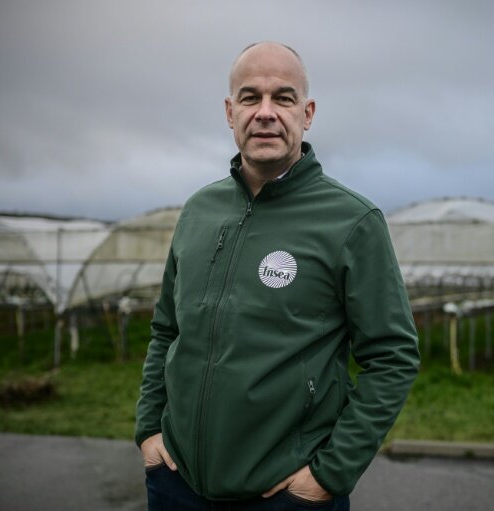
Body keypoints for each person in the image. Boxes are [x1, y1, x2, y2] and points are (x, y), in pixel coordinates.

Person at [135, 41, 420, 511]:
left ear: (307, 114)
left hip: (286, 497)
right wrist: (148, 430)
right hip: (175, 483)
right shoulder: (198, 213)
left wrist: (330, 474)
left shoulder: (351, 221)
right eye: (250, 98)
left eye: (282, 98)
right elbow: (167, 330)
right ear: (230, 112)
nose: (265, 112)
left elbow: (393, 356)